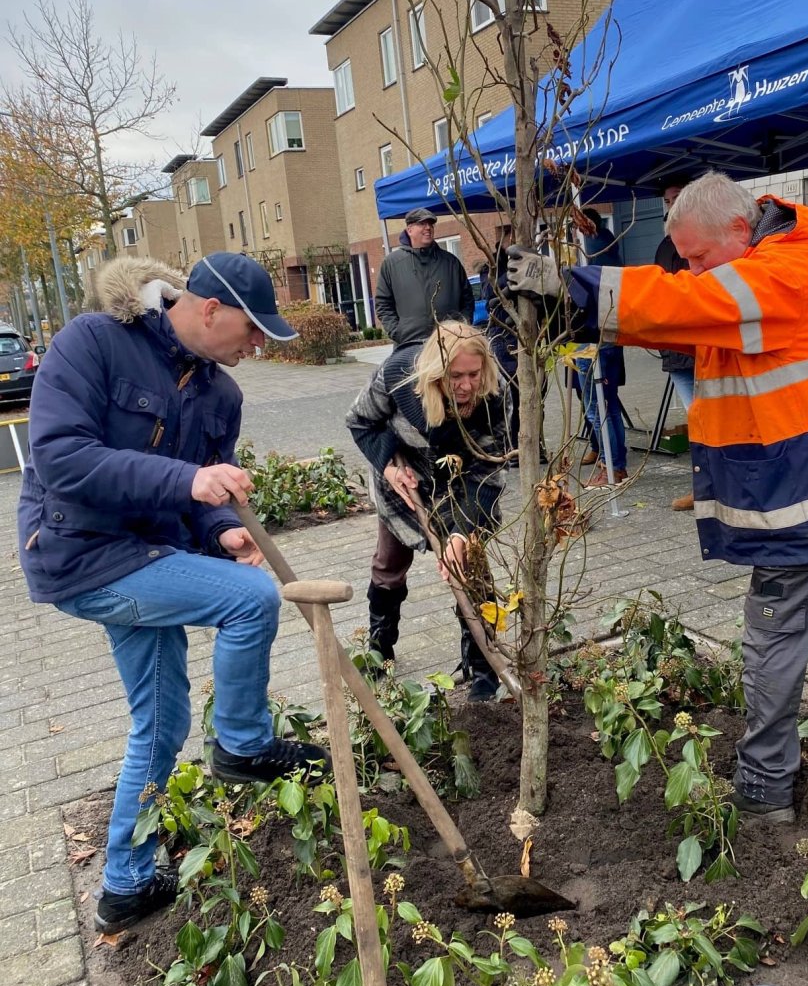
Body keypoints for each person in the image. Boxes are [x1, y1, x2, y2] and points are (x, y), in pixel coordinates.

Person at [506, 171, 808, 819]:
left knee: (772, 642)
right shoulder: (767, 265)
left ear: (738, 229)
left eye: (698, 258)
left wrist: (573, 284)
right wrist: (573, 316)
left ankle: (764, 791)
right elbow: (681, 320)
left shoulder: (782, 271)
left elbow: (688, 304)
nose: (694, 272)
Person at [17, 252, 332, 934]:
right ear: (208, 308)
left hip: (151, 553)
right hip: (82, 553)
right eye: (252, 331)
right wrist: (189, 485)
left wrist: (221, 531)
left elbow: (201, 496)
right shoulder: (94, 343)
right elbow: (62, 458)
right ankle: (243, 745)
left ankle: (124, 885)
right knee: (251, 602)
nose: (256, 347)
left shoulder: (222, 395)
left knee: (159, 721)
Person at [347, 321, 506, 701]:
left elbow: (488, 467)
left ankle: (482, 666)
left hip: (463, 483)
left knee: (471, 570)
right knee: (388, 562)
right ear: (435, 371)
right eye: (455, 376)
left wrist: (459, 533)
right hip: (403, 480)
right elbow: (360, 421)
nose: (466, 385)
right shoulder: (398, 377)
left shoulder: (495, 396)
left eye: (473, 374)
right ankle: (379, 647)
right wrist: (388, 465)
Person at [653, 176, 697, 510]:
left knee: (716, 422)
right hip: (676, 354)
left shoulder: (705, 238)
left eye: (677, 198)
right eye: (667, 201)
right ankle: (705, 487)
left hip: (705, 349)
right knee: (697, 422)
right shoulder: (665, 246)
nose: (671, 206)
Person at [374, 208, 475, 348]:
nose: (428, 228)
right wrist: (398, 332)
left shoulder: (450, 262)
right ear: (409, 230)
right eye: (422, 224)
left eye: (431, 224)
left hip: (449, 343)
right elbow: (383, 303)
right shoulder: (392, 264)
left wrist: (461, 326)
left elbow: (467, 299)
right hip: (409, 344)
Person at [577, 208, 627, 487]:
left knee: (599, 407)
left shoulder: (594, 244)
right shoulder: (603, 243)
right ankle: (615, 462)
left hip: (594, 338)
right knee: (607, 406)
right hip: (602, 336)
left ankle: (613, 465)